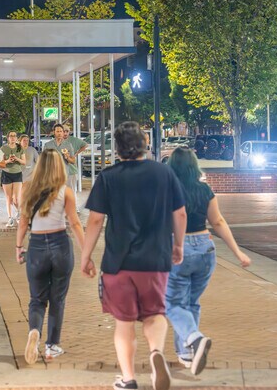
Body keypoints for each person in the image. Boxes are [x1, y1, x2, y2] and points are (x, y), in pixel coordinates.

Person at [81, 121, 186, 390]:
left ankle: (128, 379)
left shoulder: (108, 177)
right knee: (155, 314)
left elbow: (95, 220)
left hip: (119, 263)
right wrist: (178, 246)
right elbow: (180, 213)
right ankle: (156, 353)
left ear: (117, 149)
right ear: (145, 144)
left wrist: (86, 255)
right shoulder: (164, 173)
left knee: (124, 322)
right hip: (155, 259)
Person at [166, 147, 251, 375]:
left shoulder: (167, 190)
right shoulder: (205, 190)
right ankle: (186, 353)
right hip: (205, 249)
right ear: (194, 166)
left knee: (173, 304)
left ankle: (194, 338)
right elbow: (218, 222)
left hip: (178, 248)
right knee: (191, 302)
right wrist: (237, 253)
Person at [16, 148, 85, 364]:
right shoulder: (65, 192)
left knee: (37, 299)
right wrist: (86, 251)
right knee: (57, 299)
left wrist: (19, 247)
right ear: (59, 167)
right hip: (60, 244)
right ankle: (51, 345)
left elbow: (23, 222)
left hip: (36, 246)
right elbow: (74, 222)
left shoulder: (27, 189)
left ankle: (34, 331)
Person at [1, 131, 26, 227]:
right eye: (11, 136)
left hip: (17, 174)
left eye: (14, 136)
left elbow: (24, 162)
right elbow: (1, 162)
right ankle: (10, 218)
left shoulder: (20, 148)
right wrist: (8, 160)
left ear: (17, 138)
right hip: (6, 173)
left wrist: (17, 159)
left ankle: (19, 213)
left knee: (16, 198)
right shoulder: (4, 148)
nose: (13, 137)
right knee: (8, 198)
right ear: (8, 137)